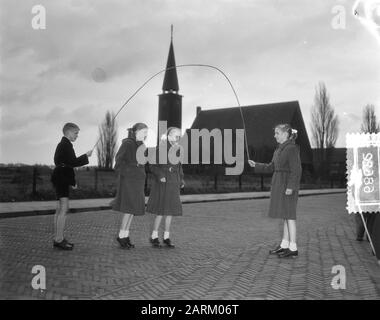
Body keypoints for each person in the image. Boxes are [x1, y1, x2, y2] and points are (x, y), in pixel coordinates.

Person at [248, 124, 302, 258]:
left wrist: (291, 187)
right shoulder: (278, 150)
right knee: (285, 215)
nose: (275, 135)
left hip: (287, 185)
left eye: (277, 133)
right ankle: (284, 245)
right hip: (279, 184)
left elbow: (296, 170)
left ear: (285, 134)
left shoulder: (292, 149)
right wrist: (257, 165)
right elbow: (272, 167)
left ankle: (293, 247)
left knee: (290, 216)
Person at [51, 123, 92, 250]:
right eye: (76, 133)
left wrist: (72, 181)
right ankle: (59, 239)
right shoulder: (66, 145)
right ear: (68, 133)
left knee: (59, 210)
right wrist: (86, 156)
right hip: (62, 179)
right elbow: (72, 163)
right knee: (64, 208)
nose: (77, 136)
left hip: (59, 178)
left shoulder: (62, 144)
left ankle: (58, 238)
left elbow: (66, 164)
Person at [147, 127, 185, 248]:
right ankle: (154, 237)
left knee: (170, 212)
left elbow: (179, 167)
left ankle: (167, 237)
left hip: (174, 184)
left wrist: (182, 179)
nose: (178, 138)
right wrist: (161, 175)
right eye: (176, 135)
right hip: (163, 184)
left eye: (179, 136)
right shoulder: (161, 148)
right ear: (169, 136)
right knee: (161, 211)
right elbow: (152, 166)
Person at [112, 123, 148, 249]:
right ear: (136, 132)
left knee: (132, 210)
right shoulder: (127, 143)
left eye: (146, 132)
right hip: (129, 181)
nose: (146, 135)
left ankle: (125, 235)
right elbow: (118, 162)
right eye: (144, 132)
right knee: (128, 209)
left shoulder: (142, 146)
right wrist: (131, 171)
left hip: (138, 182)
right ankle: (121, 236)